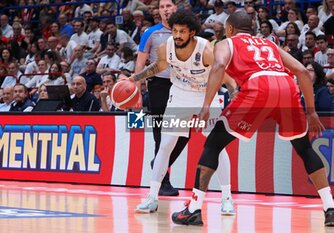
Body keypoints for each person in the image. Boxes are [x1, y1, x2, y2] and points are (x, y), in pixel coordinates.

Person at [171, 11, 334, 226]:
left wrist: (206, 105)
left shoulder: (225, 43)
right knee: (304, 148)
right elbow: (303, 72)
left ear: (229, 29)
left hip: (258, 87)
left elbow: (219, 66)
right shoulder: (270, 45)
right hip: (287, 86)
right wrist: (311, 111)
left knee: (213, 145)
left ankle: (193, 209)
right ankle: (330, 207)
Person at [130, 10, 235, 215]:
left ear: (192, 33)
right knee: (165, 145)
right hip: (179, 95)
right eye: (175, 31)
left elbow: (223, 75)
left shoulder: (205, 50)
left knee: (217, 147)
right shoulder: (166, 47)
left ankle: (227, 199)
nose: (177, 35)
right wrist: (134, 79)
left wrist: (233, 90)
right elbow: (157, 67)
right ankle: (152, 197)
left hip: (207, 96)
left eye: (182, 32)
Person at [135, 0, 184, 197]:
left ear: (175, 8)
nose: (165, 10)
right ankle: (163, 181)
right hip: (158, 86)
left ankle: (159, 164)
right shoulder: (150, 33)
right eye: (162, 7)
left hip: (182, 85)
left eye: (168, 6)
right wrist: (137, 91)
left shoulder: (185, 31)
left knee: (183, 132)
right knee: (160, 134)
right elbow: (140, 62)